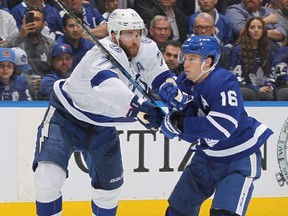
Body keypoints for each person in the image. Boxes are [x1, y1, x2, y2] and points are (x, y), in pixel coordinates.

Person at [32, 8, 176, 216]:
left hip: (104, 127)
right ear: (114, 35)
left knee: (109, 191)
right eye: (128, 34)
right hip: (66, 119)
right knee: (47, 179)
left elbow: (161, 77)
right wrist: (141, 109)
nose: (134, 40)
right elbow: (107, 86)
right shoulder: (102, 52)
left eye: (137, 33)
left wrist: (178, 101)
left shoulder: (147, 48)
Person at [158, 35, 273, 216]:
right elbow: (191, 130)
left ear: (208, 61)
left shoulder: (223, 81)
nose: (185, 64)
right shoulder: (184, 81)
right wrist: (174, 113)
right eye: (185, 58)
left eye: (192, 59)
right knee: (177, 211)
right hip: (206, 157)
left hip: (238, 158)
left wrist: (180, 124)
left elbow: (222, 127)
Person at [230, 17, 275, 101]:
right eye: (252, 27)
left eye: (259, 27)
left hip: (265, 91)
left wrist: (268, 86)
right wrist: (256, 89)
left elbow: (272, 75)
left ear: (263, 30)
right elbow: (237, 78)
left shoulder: (268, 50)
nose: (256, 30)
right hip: (246, 90)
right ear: (247, 30)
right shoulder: (238, 50)